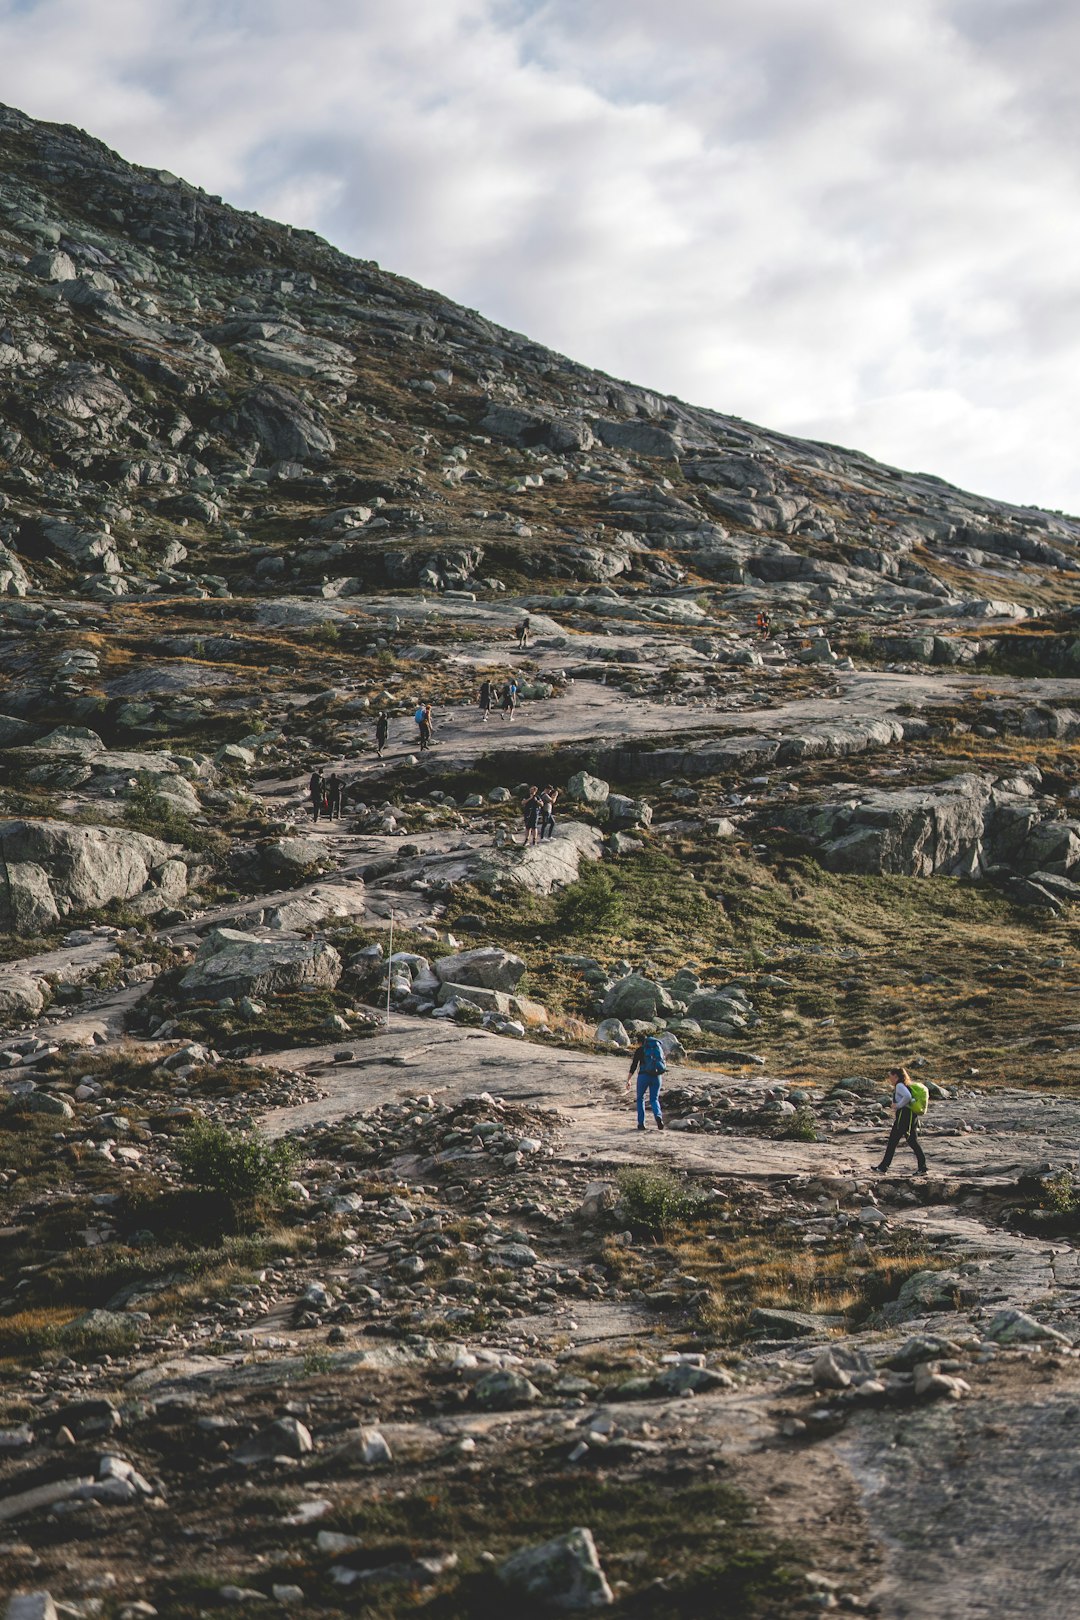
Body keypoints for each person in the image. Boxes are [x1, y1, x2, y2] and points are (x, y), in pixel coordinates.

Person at [875, 1066, 928, 1175]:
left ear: (895, 1076)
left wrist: (897, 1105)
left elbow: (907, 1096)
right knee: (904, 1141)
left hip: (904, 1116)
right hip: (910, 1116)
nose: (889, 1078)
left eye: (890, 1076)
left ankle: (884, 1167)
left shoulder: (899, 1085)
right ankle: (883, 1167)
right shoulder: (904, 1084)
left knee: (900, 1142)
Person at [626, 1034, 667, 1132]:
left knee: (640, 1098)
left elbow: (634, 1065)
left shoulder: (640, 1050)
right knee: (654, 1099)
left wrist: (628, 1079)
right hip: (657, 1076)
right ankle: (658, 1116)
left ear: (640, 1042)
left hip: (644, 1076)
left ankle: (641, 1124)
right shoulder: (657, 1048)